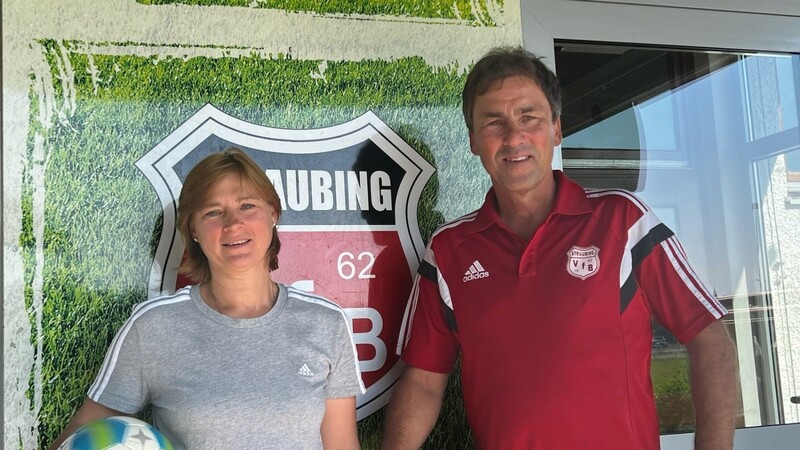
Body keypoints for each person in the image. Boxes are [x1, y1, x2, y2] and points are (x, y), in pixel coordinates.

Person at [382, 47, 737, 450]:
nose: (514, 137)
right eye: (494, 122)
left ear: (556, 129)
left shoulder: (623, 222)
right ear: (473, 141)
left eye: (528, 117)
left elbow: (708, 338)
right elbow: (424, 382)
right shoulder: (448, 250)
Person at [50, 148, 365, 450]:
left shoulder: (326, 322)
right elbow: (83, 436)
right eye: (213, 212)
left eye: (247, 206)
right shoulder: (153, 326)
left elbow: (341, 444)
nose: (233, 224)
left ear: (273, 213)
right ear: (194, 230)